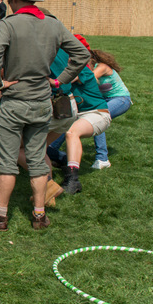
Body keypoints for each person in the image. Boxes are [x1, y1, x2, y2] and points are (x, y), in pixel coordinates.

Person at [0, 0, 88, 231]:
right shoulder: (53, 25)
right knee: (37, 159)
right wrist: (60, 80)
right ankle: (39, 215)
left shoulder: (9, 24)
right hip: (42, 101)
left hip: (15, 101)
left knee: (7, 159)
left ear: (14, 1)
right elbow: (82, 54)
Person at [44, 46, 112, 195]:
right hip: (74, 116)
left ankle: (73, 178)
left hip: (97, 114)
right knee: (38, 145)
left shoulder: (79, 70)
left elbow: (61, 81)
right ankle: (48, 183)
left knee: (72, 132)